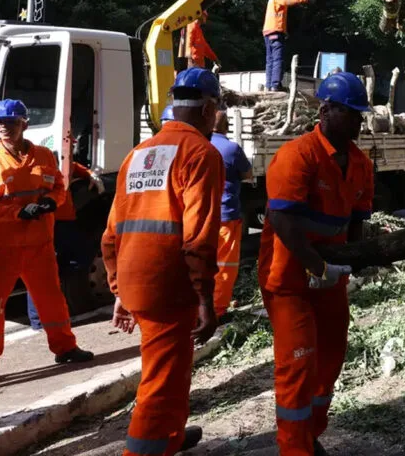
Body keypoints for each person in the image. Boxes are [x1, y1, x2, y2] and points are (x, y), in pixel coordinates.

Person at [101, 67, 224, 455]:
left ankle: (170, 438)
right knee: (161, 378)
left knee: (172, 367)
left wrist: (120, 288)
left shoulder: (138, 155)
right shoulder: (201, 153)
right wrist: (206, 298)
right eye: (218, 109)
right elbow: (198, 237)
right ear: (207, 109)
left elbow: (112, 233)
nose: (218, 116)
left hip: (139, 281)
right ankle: (143, 449)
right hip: (170, 286)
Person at [259, 72, 373, 455]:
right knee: (298, 365)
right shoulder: (297, 156)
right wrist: (317, 268)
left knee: (330, 360)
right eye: (351, 113)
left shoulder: (360, 163)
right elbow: (284, 222)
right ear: (325, 111)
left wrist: (357, 262)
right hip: (290, 278)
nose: (359, 122)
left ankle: (309, 434)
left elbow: (357, 221)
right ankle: (294, 448)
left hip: (330, 278)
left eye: (360, 114)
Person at [0, 99, 94, 385]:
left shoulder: (44, 156)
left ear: (24, 125)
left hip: (39, 243)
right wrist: (19, 212)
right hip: (2, 246)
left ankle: (65, 348)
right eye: (0, 123)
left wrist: (51, 202)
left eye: (12, 122)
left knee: (51, 299)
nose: (5, 127)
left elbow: (58, 188)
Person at [27, 161, 104, 329]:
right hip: (47, 221)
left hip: (64, 220)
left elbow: (72, 165)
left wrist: (89, 174)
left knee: (75, 259)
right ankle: (40, 323)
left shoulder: (51, 158)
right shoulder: (34, 161)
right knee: (42, 273)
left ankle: (46, 319)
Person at [211, 109, 253, 319]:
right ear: (226, 126)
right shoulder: (231, 149)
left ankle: (200, 308)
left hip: (200, 216)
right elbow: (248, 173)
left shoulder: (198, 145)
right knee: (225, 265)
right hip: (226, 214)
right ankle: (218, 310)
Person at [263, 0, 314, 91]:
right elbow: (287, 1)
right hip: (275, 31)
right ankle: (275, 85)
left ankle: (269, 85)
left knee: (270, 60)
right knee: (277, 59)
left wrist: (284, 31)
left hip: (269, 31)